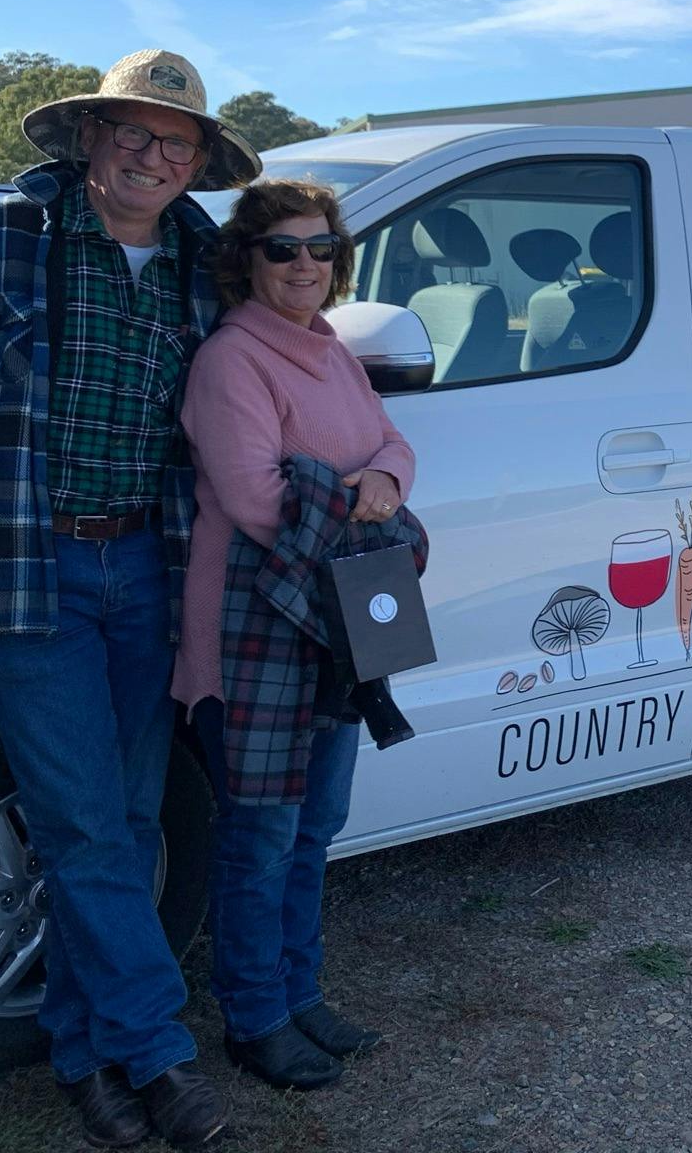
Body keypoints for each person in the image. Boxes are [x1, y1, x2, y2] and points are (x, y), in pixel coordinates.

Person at [0, 50, 259, 1149]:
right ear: (89, 138)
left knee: (129, 819)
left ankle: (85, 1057)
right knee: (86, 822)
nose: (152, 156)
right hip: (22, 569)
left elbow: (267, 381)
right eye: (133, 133)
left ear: (196, 165)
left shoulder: (205, 264)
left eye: (175, 142)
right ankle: (158, 1055)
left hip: (151, 571)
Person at [177, 179, 417, 1084]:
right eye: (283, 249)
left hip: (332, 627)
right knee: (260, 839)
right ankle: (255, 1015)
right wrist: (360, 493)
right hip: (255, 635)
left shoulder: (331, 351)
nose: (305, 265)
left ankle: (301, 992)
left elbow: (392, 445)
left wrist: (379, 483)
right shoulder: (233, 360)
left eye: (321, 249)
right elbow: (252, 498)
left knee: (316, 827)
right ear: (248, 258)